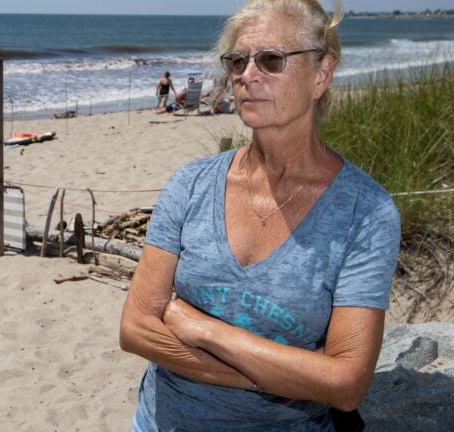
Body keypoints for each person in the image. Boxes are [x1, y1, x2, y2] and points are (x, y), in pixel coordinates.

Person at [119, 1, 401, 431]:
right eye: (238, 60)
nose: (247, 75)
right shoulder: (191, 184)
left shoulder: (367, 212)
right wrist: (287, 377)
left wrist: (203, 330)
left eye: (271, 60)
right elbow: (136, 330)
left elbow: (345, 384)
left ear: (321, 74)